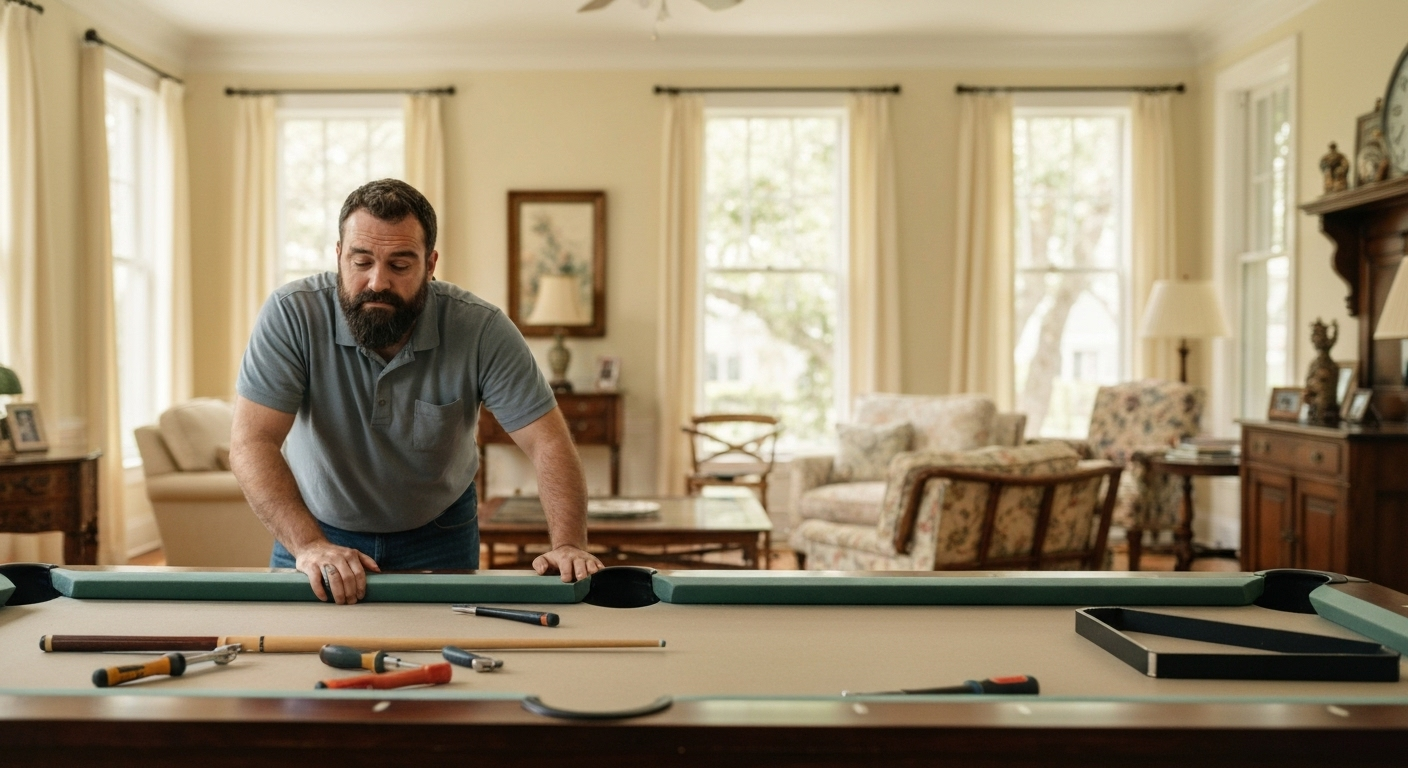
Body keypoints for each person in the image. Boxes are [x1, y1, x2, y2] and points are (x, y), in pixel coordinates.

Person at [229, 179, 602, 604]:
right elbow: (251, 442)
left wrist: (569, 543)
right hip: (316, 530)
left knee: (445, 655)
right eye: (361, 261)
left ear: (430, 263)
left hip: (439, 532)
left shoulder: (481, 328)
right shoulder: (291, 315)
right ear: (338, 256)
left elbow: (548, 440)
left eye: (400, 265)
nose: (377, 282)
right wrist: (309, 545)